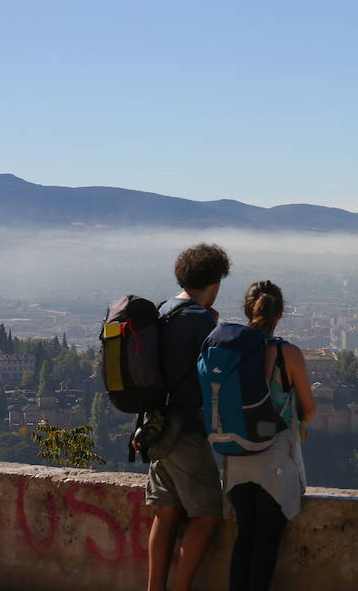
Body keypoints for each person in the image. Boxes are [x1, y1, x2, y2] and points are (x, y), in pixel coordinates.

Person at [144, 243, 231, 591]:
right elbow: (217, 375)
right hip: (186, 430)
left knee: (165, 515)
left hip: (156, 427)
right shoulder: (199, 321)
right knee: (207, 515)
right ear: (216, 282)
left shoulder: (163, 310)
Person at [224, 280, 317, 591]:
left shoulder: (230, 350)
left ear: (248, 310)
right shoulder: (287, 354)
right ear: (280, 313)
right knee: (266, 539)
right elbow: (310, 409)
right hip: (273, 457)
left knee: (245, 534)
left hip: (235, 455)